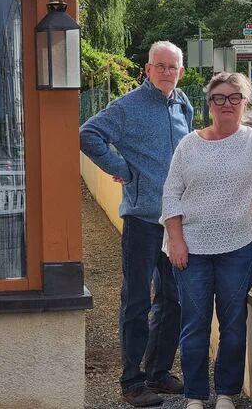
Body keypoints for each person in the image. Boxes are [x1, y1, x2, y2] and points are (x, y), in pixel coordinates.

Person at [161, 72, 252, 409]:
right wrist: (176, 241)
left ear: (245, 103)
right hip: (192, 249)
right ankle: (194, 395)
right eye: (219, 98)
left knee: (233, 323)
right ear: (210, 104)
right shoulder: (189, 144)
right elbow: (171, 194)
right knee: (195, 324)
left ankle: (225, 393)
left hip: (240, 246)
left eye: (235, 97)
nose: (227, 104)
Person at [80, 41, 194, 407]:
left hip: (176, 221)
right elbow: (88, 135)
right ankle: (132, 381)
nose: (165, 72)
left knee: (173, 299)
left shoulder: (183, 104)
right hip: (143, 220)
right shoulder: (127, 107)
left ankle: (158, 374)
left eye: (172, 67)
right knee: (136, 301)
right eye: (159, 66)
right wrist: (122, 170)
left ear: (181, 70)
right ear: (147, 69)